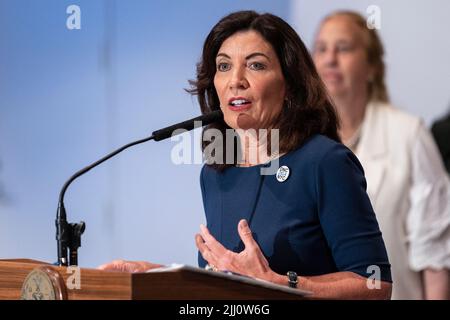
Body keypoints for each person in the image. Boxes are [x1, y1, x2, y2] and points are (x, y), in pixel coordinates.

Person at [99, 10, 392, 299]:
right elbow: (227, 282)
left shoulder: (324, 162)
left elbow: (375, 285)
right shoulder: (216, 173)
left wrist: (278, 283)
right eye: (224, 66)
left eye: (255, 66)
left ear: (289, 84)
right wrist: (152, 275)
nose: (235, 79)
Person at [312, 11, 450, 299]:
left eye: (344, 48)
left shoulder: (409, 134)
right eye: (321, 49)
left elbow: (435, 256)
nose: (330, 59)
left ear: (372, 66)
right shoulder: (298, 143)